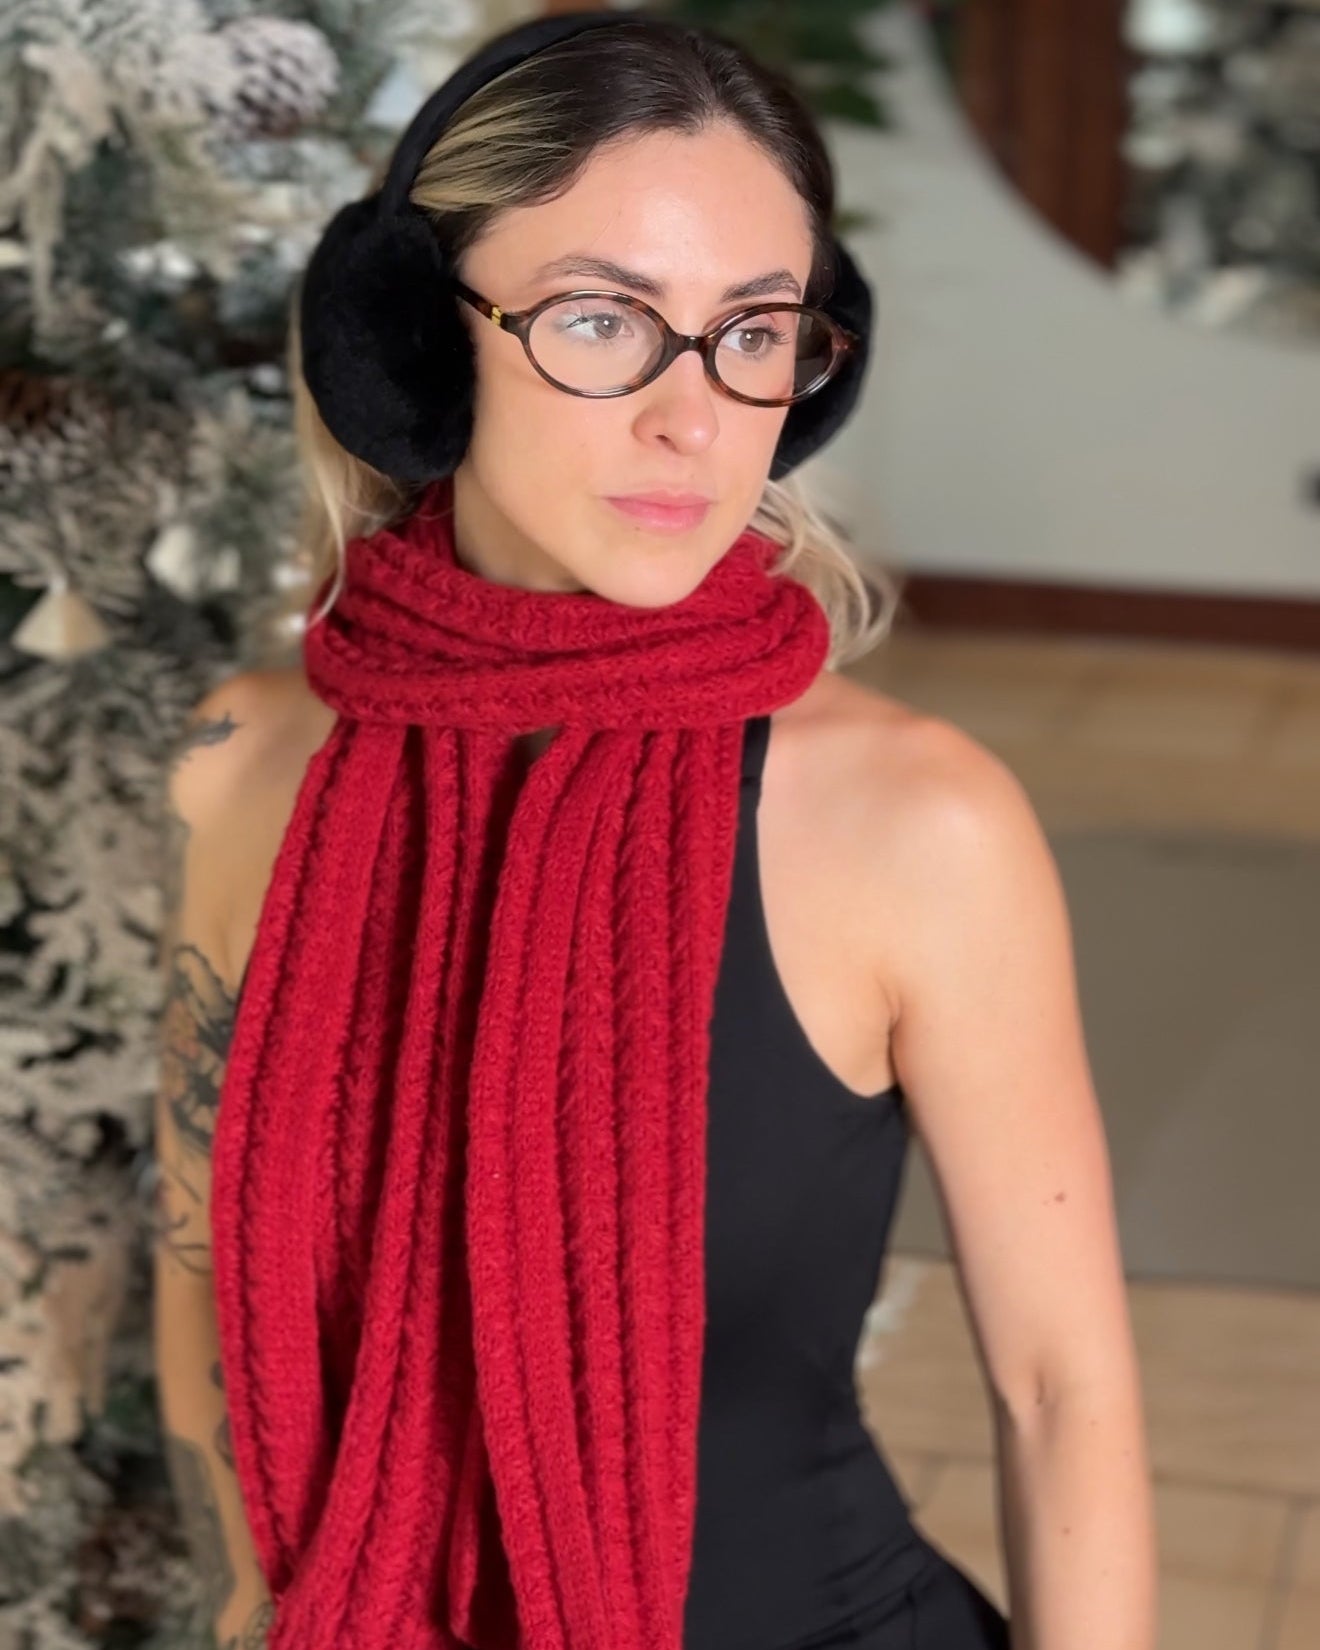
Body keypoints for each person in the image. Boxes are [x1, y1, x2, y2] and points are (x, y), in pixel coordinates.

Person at [152, 10, 1157, 1650]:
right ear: (415, 342)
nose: (696, 418)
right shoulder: (246, 766)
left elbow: (1061, 1391)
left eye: (753, 331)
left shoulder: (919, 822)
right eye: (602, 318)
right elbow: (202, 1274)